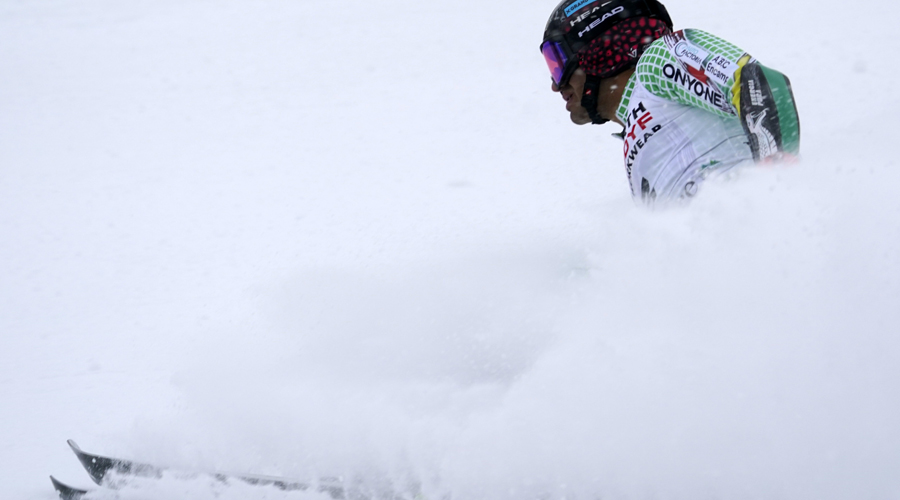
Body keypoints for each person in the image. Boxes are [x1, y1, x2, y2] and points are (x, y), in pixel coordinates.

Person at [540, 0, 800, 203]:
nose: (555, 85)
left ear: (596, 48)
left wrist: (775, 182)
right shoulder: (634, 134)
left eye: (557, 63)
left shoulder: (657, 60)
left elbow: (761, 85)